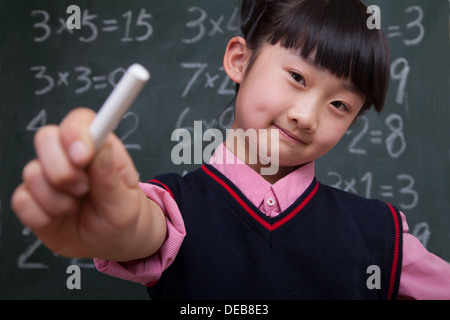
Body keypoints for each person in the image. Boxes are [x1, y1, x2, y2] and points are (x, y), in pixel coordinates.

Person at [11, 0, 450, 299]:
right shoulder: (172, 209)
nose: (306, 115)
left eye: (339, 105)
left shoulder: (382, 237)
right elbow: (139, 229)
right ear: (240, 60)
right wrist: (114, 223)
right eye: (297, 77)